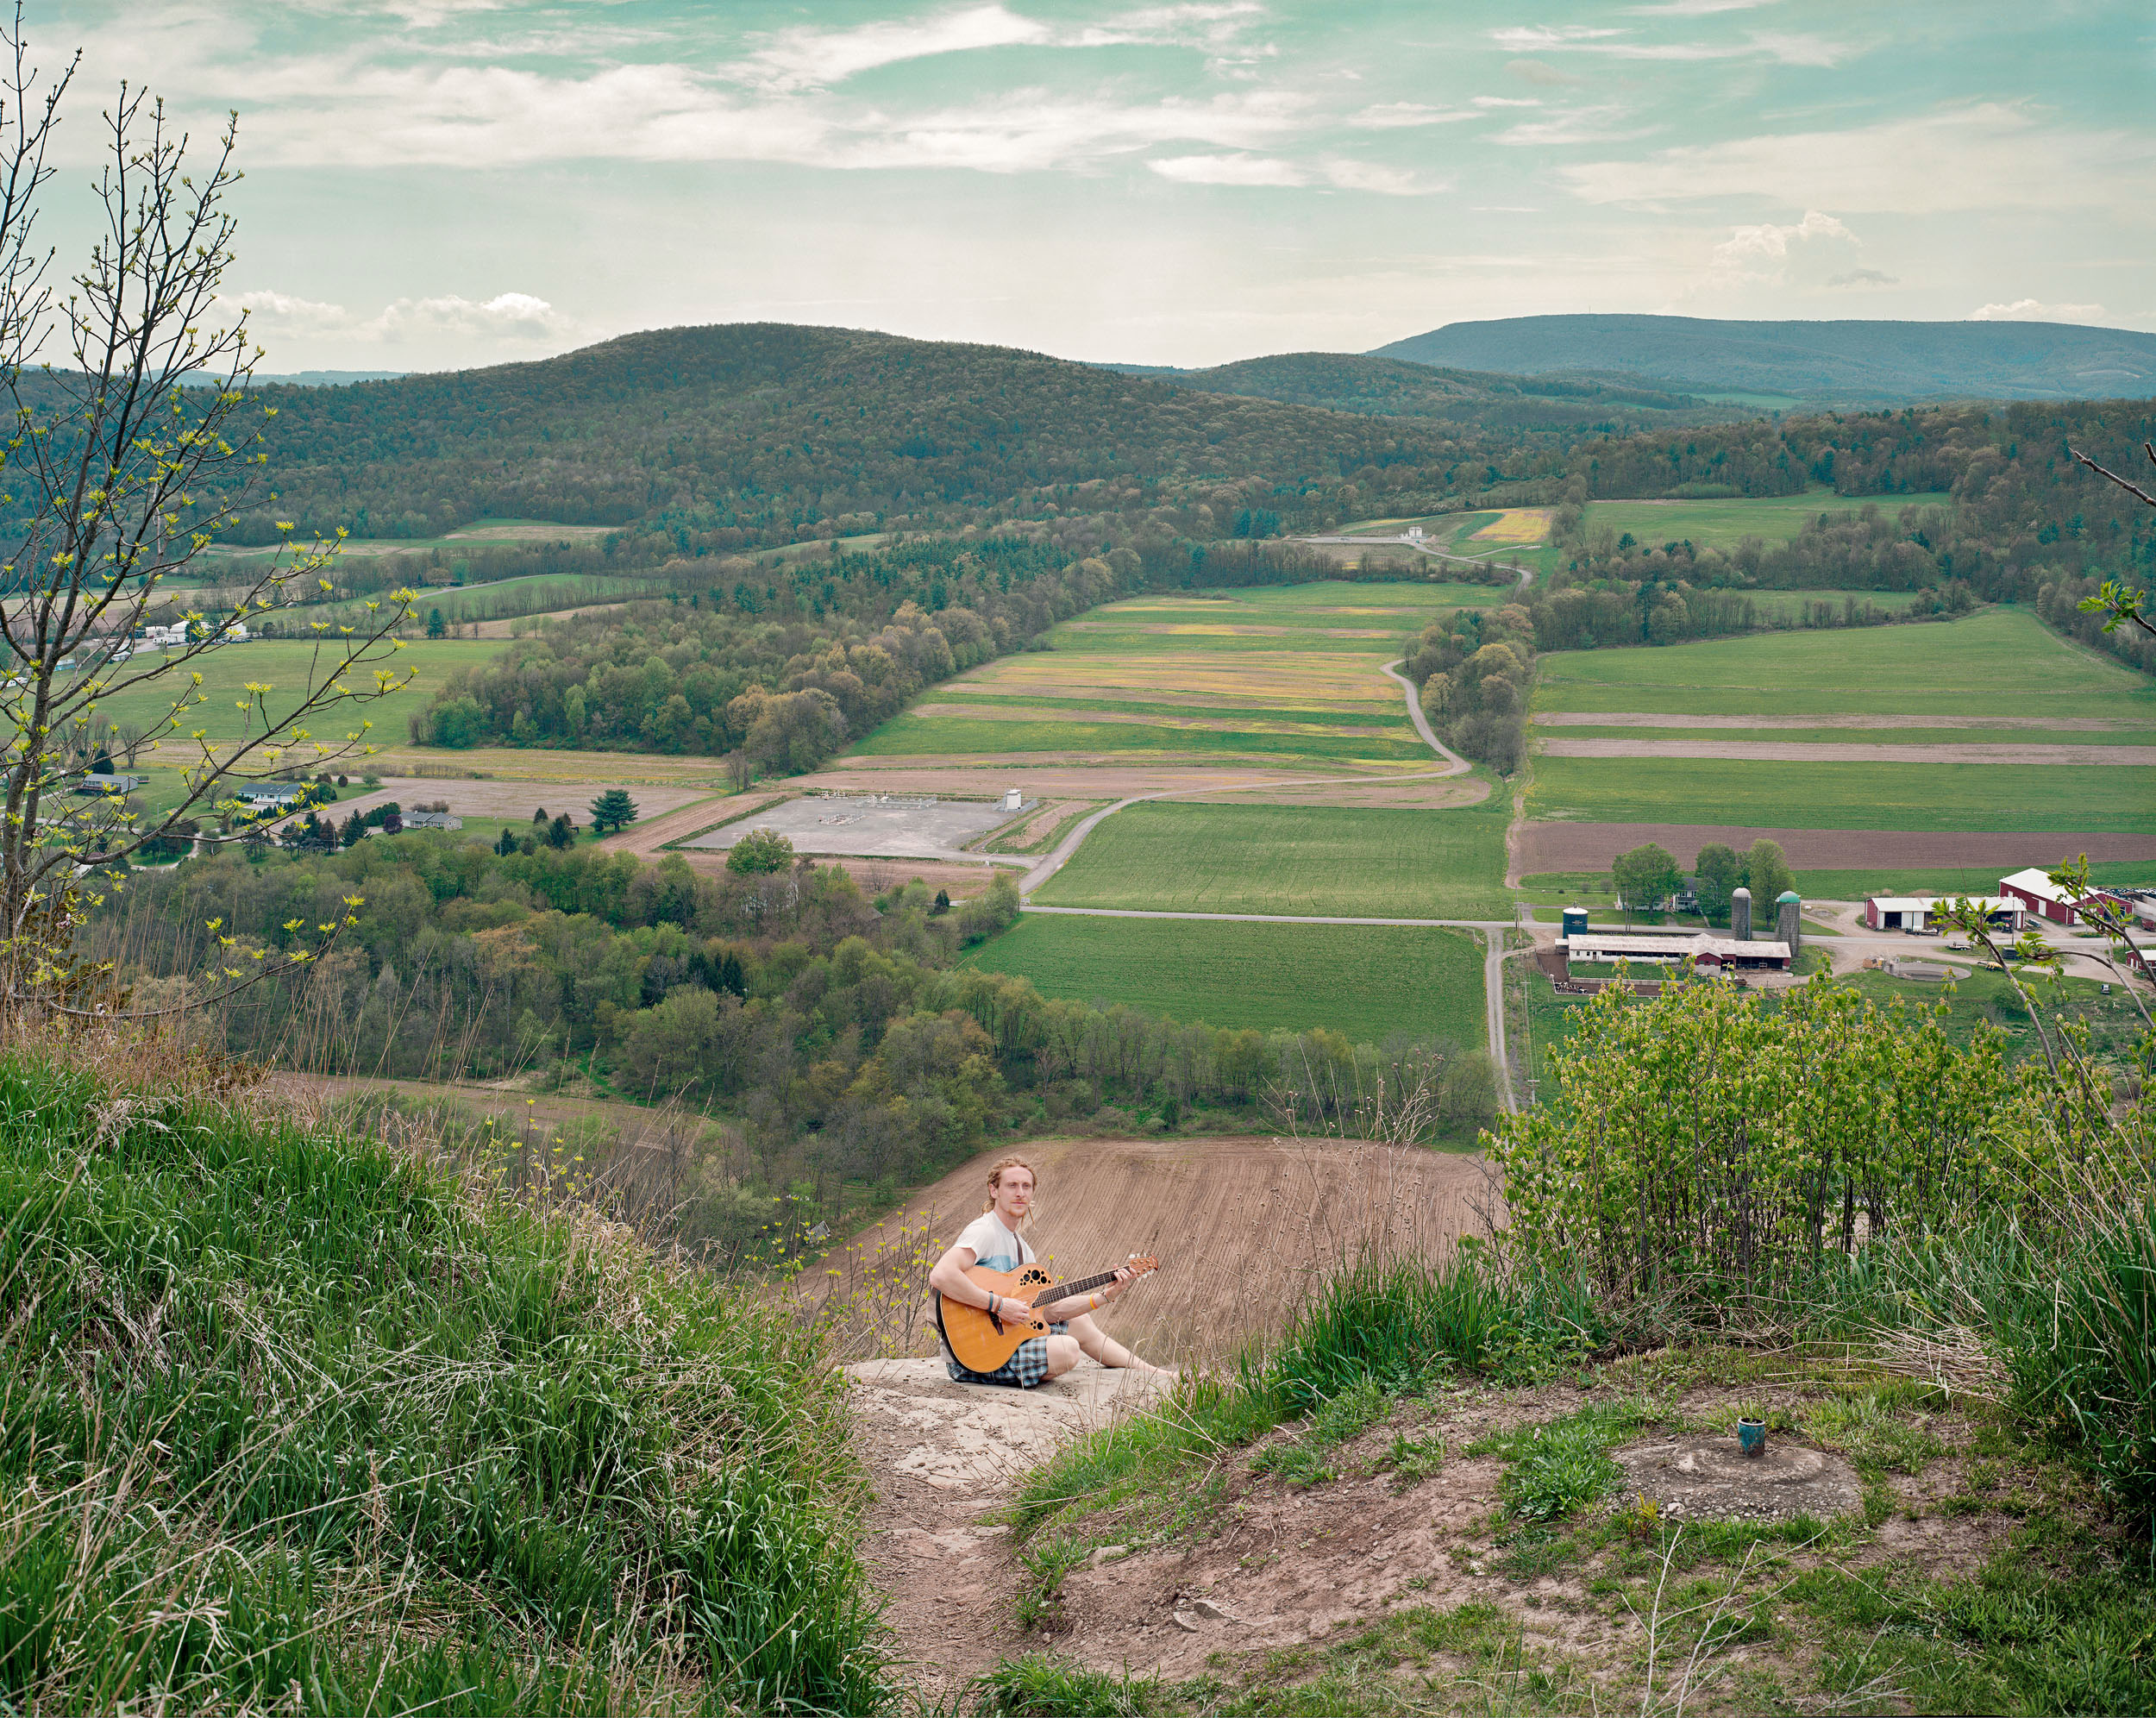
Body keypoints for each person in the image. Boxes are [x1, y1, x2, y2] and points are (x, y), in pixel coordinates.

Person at [927, 1155, 1168, 1388]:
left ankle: (1156, 1374)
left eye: (1026, 1186)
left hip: (1005, 1337)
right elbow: (941, 1275)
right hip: (972, 1358)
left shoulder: (1022, 1250)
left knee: (1079, 1321)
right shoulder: (985, 1231)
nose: (1020, 1193)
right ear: (994, 1191)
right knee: (1066, 1349)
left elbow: (1047, 1310)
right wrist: (999, 1305)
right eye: (1012, 1185)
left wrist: (1104, 1297)